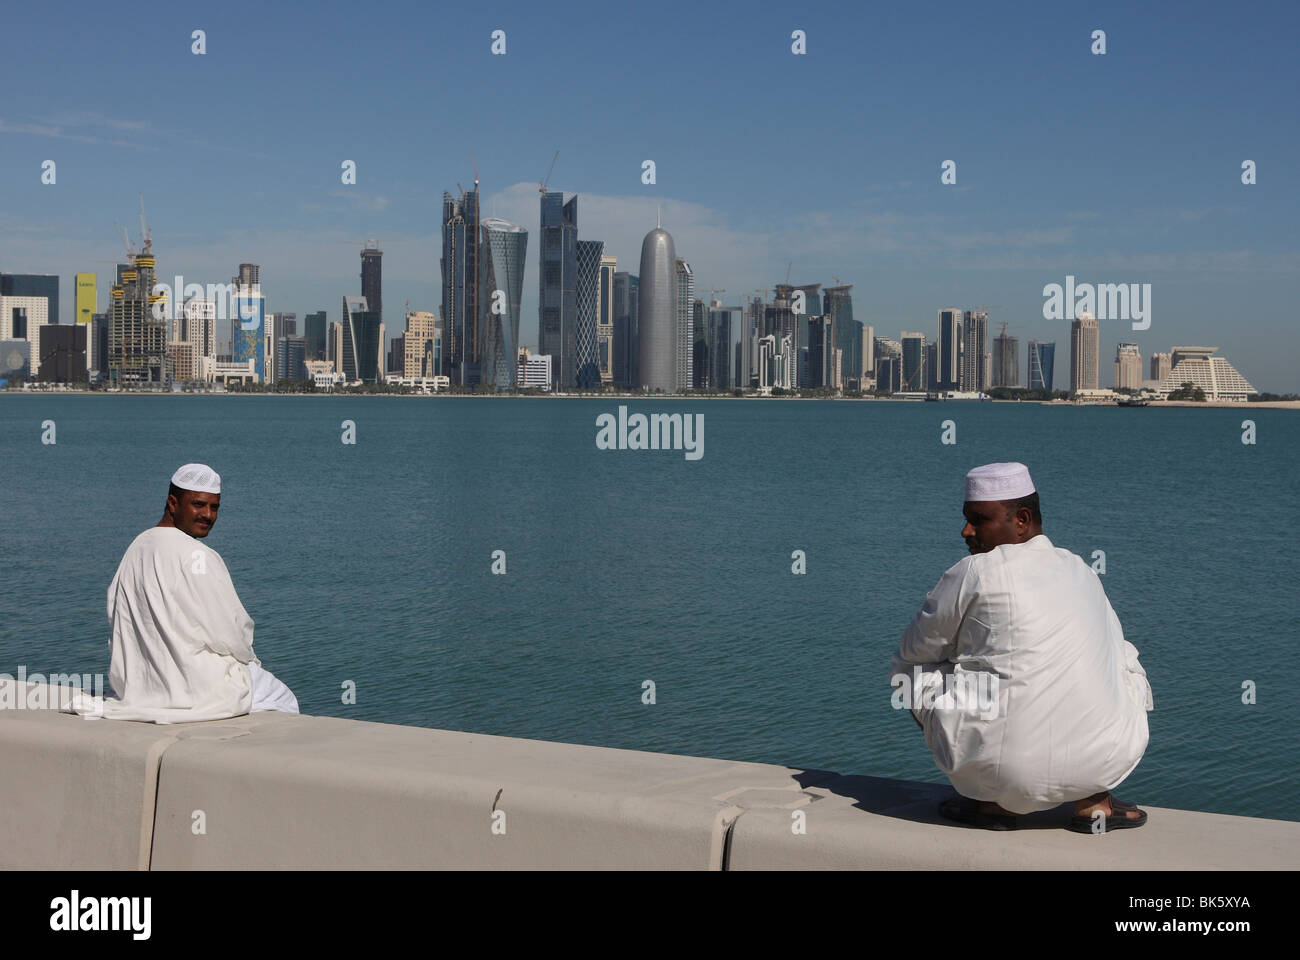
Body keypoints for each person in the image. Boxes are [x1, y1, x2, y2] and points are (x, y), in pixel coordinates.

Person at [889, 462, 1153, 833]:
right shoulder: (1080, 568)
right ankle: (1094, 802)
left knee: (911, 671)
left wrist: (967, 657)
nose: (966, 531)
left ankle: (992, 804)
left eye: (978, 520)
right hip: (1109, 759)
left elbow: (915, 650)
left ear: (1022, 519)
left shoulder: (974, 571)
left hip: (1007, 773)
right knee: (1119, 656)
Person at [71, 463, 298, 723]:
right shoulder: (198, 555)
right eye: (198, 504)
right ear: (172, 503)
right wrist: (249, 660)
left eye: (214, 508)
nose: (208, 515)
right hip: (198, 687)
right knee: (282, 697)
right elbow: (231, 631)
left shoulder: (137, 547)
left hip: (140, 686)